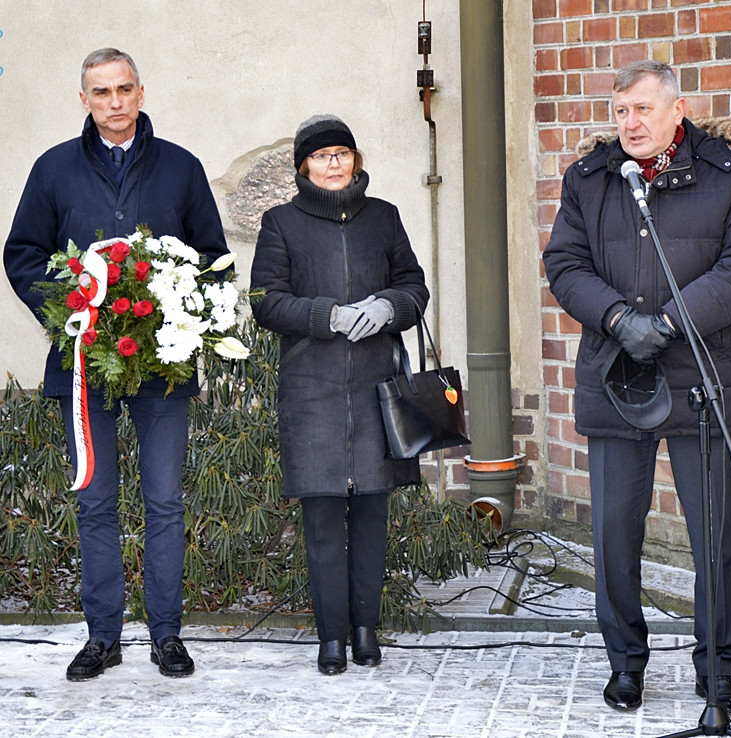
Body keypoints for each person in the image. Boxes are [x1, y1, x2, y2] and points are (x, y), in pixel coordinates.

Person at [543, 60, 731, 713]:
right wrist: (618, 318)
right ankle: (625, 664)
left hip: (701, 379)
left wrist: (669, 322)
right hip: (617, 377)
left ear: (676, 109)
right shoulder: (589, 179)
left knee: (713, 538)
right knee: (615, 535)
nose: (630, 124)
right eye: (620, 112)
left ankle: (717, 669)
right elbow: (564, 262)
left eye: (642, 109)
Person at [3, 48, 229, 680]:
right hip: (84, 366)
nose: (115, 101)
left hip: (162, 368)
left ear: (140, 90)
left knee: (164, 502)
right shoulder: (53, 169)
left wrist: (179, 308)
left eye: (124, 88)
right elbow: (22, 253)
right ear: (84, 99)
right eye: (101, 92)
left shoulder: (181, 168)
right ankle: (102, 636)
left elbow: (213, 258)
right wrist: (64, 308)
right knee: (96, 502)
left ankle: (167, 636)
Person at [250, 114, 428, 675]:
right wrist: (326, 315)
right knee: (324, 516)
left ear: (355, 158)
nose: (333, 162)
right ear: (303, 165)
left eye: (342, 153)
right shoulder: (280, 223)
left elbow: (414, 287)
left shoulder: (385, 218)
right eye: (322, 155)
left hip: (378, 385)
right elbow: (266, 300)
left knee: (373, 512)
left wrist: (386, 308)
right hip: (313, 389)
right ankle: (331, 638)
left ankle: (365, 631)